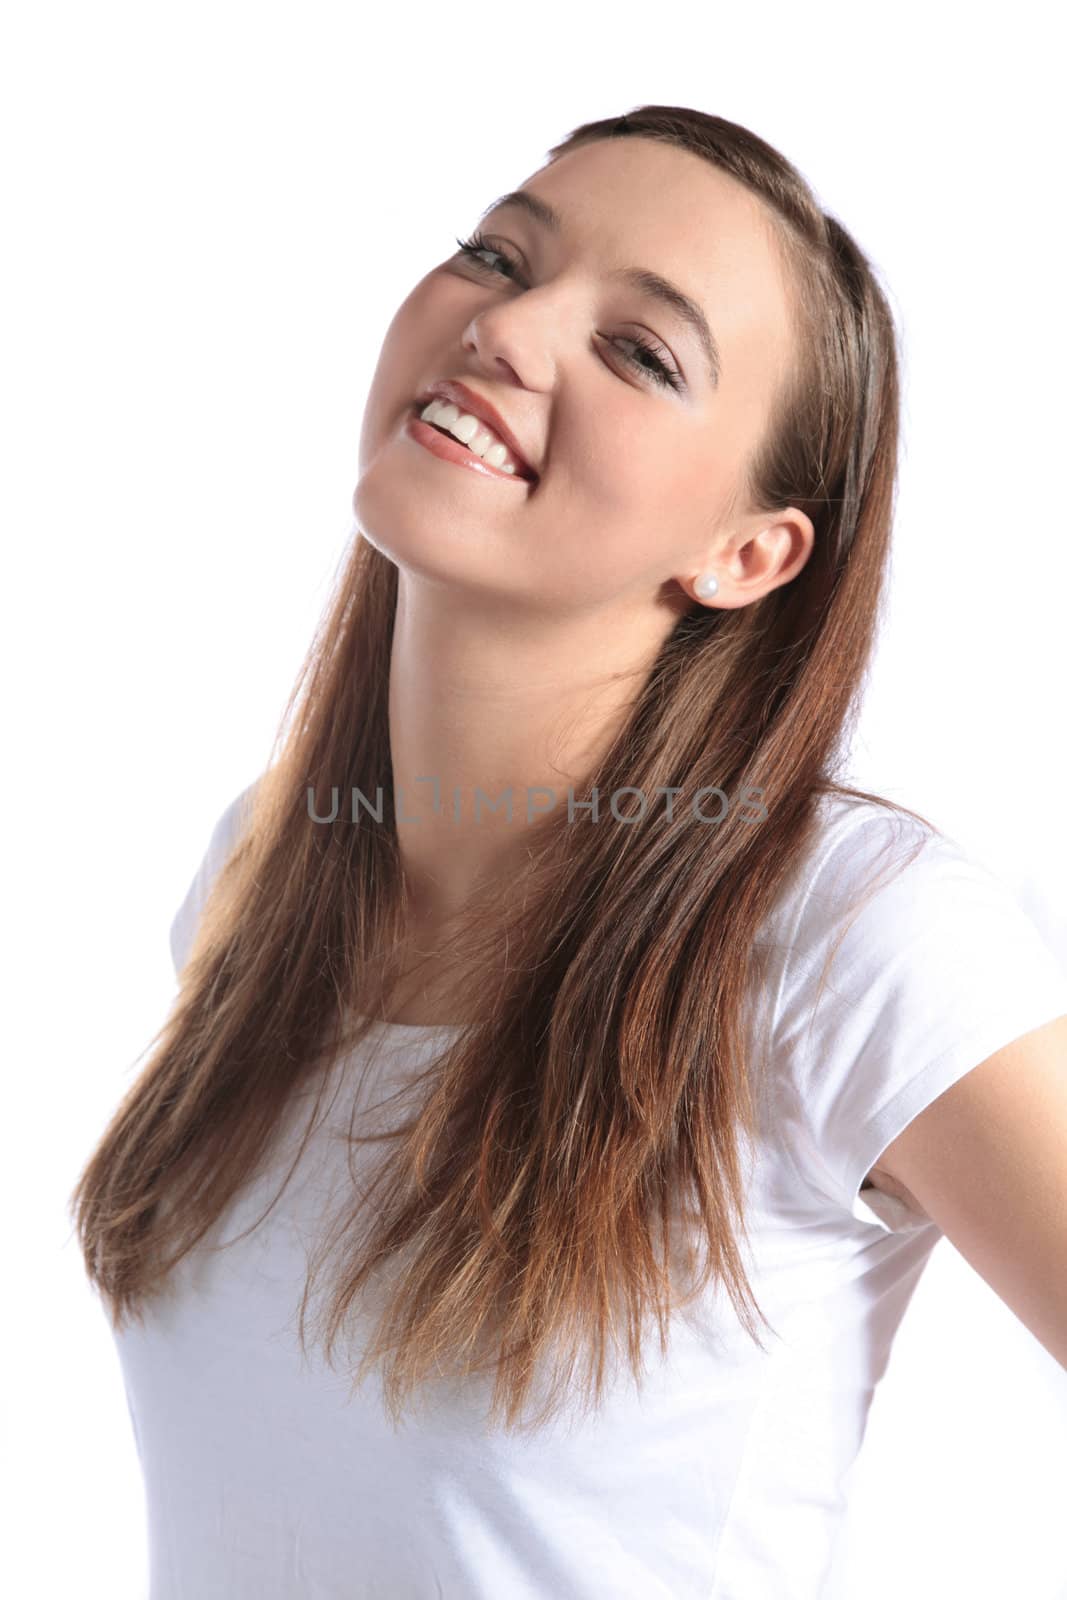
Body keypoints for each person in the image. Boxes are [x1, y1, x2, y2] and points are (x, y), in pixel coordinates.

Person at [70, 105, 1067, 1599]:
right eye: (497, 253)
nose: (511, 324)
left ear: (748, 554)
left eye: (644, 351)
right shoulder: (266, 871)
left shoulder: (854, 936)